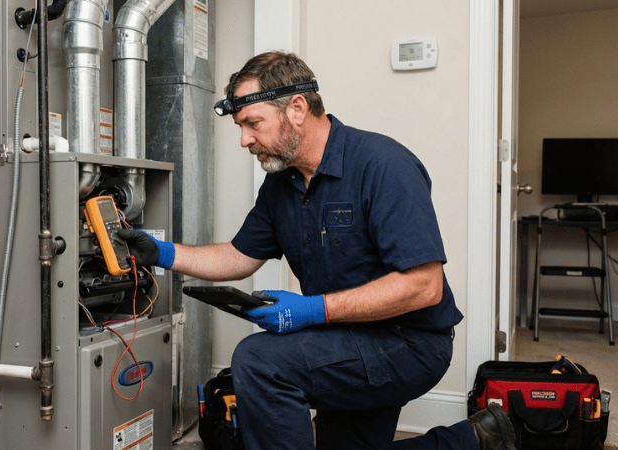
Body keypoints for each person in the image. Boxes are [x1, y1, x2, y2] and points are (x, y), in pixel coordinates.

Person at [118, 51, 516, 450]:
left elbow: (424, 286)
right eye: (241, 127)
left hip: (409, 342)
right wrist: (162, 253)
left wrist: (312, 311)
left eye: (253, 123)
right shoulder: (281, 185)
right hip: (344, 339)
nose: (245, 140)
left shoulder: (382, 164)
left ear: (296, 108)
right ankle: (475, 440)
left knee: (259, 360)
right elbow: (239, 256)